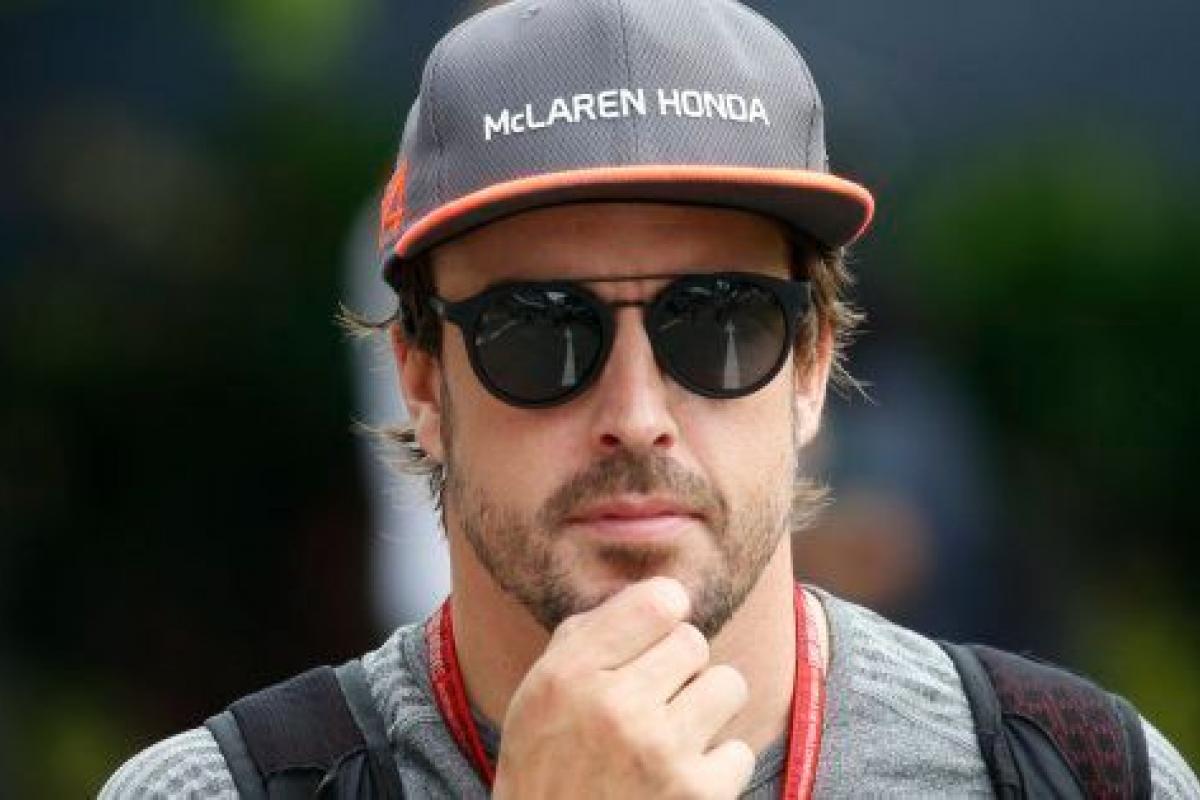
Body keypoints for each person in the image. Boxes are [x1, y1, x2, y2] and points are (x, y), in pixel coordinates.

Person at [101, 0, 1198, 797]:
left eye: (718, 322)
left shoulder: (1079, 770)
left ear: (811, 363)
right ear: (422, 378)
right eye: (541, 331)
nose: (636, 410)